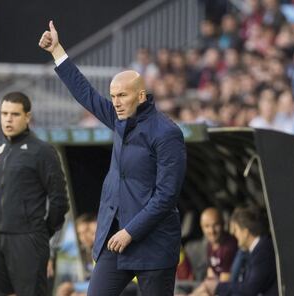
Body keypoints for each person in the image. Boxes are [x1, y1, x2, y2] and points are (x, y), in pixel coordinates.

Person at [39, 21, 187, 296]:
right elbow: (86, 94)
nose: (116, 102)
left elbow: (166, 196)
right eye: (113, 96)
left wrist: (131, 231)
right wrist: (57, 51)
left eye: (122, 95)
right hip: (115, 240)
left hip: (153, 244)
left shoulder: (167, 134)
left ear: (141, 96)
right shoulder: (119, 119)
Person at [0, 91, 69, 296]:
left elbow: (59, 199)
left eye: (14, 114)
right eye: (4, 113)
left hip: (28, 239)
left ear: (27, 117)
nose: (8, 119)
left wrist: (42, 232)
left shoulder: (42, 151)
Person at [215, 206, 278, 296]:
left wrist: (218, 287)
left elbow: (250, 288)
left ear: (245, 232)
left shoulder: (263, 250)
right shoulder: (258, 249)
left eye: (236, 230)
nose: (233, 234)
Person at [190, 208, 237, 296]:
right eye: (207, 226)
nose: (212, 231)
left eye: (216, 225)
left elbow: (224, 286)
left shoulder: (229, 247)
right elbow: (211, 274)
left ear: (223, 224)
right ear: (202, 227)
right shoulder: (210, 245)